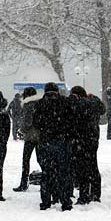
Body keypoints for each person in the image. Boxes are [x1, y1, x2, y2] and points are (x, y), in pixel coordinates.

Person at [33, 82, 73, 211]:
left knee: (47, 172)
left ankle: (46, 201)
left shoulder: (39, 104)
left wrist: (46, 129)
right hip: (62, 141)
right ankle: (65, 201)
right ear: (57, 91)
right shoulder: (65, 102)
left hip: (45, 141)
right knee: (63, 172)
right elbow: (71, 120)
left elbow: (36, 123)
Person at [69, 86, 105, 204]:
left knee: (82, 169)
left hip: (80, 139)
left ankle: (84, 195)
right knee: (93, 166)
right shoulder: (93, 103)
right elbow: (103, 109)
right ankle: (95, 194)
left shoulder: (78, 104)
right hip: (93, 139)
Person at [13, 87, 42, 192]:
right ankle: (46, 181)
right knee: (42, 160)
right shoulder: (40, 103)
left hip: (30, 136)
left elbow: (27, 122)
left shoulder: (28, 104)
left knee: (26, 160)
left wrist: (21, 131)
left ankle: (23, 184)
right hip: (40, 136)